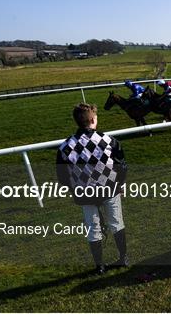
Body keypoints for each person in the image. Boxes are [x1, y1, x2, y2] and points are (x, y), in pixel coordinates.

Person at [56, 103, 128, 275]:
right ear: (94, 119)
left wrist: (75, 188)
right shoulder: (109, 141)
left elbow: (62, 176)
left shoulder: (65, 147)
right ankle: (123, 258)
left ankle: (100, 266)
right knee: (116, 224)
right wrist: (121, 184)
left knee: (93, 230)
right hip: (109, 189)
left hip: (85, 194)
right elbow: (122, 167)